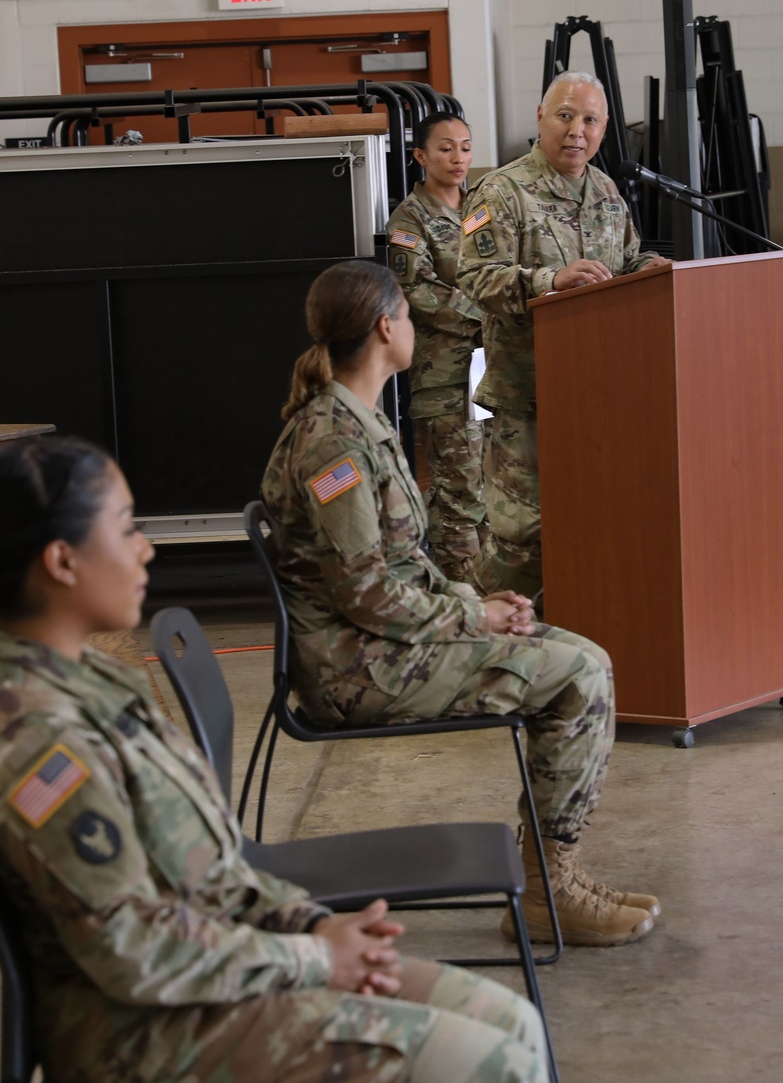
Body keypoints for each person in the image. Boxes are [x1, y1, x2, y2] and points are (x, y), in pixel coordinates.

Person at [0, 435, 557, 1083]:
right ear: (60, 561)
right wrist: (315, 961)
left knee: (516, 1031)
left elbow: (209, 862)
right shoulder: (26, 742)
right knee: (491, 1080)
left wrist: (312, 922)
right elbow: (136, 950)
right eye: (127, 529)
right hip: (150, 1059)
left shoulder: (85, 680)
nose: (146, 550)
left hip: (216, 999)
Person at [261, 259, 659, 955]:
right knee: (581, 674)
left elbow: (402, 563)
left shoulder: (356, 420)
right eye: (408, 317)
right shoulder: (335, 443)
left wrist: (474, 598)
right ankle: (549, 890)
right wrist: (476, 620)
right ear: (387, 328)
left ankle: (549, 880)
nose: (412, 326)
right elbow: (368, 594)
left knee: (572, 652)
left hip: (382, 645)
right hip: (358, 670)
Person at [456, 71, 671, 602]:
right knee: (524, 539)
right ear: (540, 119)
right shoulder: (501, 191)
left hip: (599, 394)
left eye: (590, 120)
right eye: (565, 116)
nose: (577, 131)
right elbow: (476, 277)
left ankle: (562, 643)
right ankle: (463, 629)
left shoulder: (605, 190)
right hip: (527, 394)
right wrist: (550, 281)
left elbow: (624, 261)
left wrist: (657, 269)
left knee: (592, 528)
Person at [389, 113, 486, 581]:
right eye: (446, 148)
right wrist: (490, 315)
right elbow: (418, 292)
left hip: (493, 373)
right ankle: (462, 600)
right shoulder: (410, 219)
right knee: (458, 494)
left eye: (465, 147)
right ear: (421, 157)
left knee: (494, 492)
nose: (458, 158)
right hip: (445, 378)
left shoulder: (482, 207)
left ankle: (497, 598)